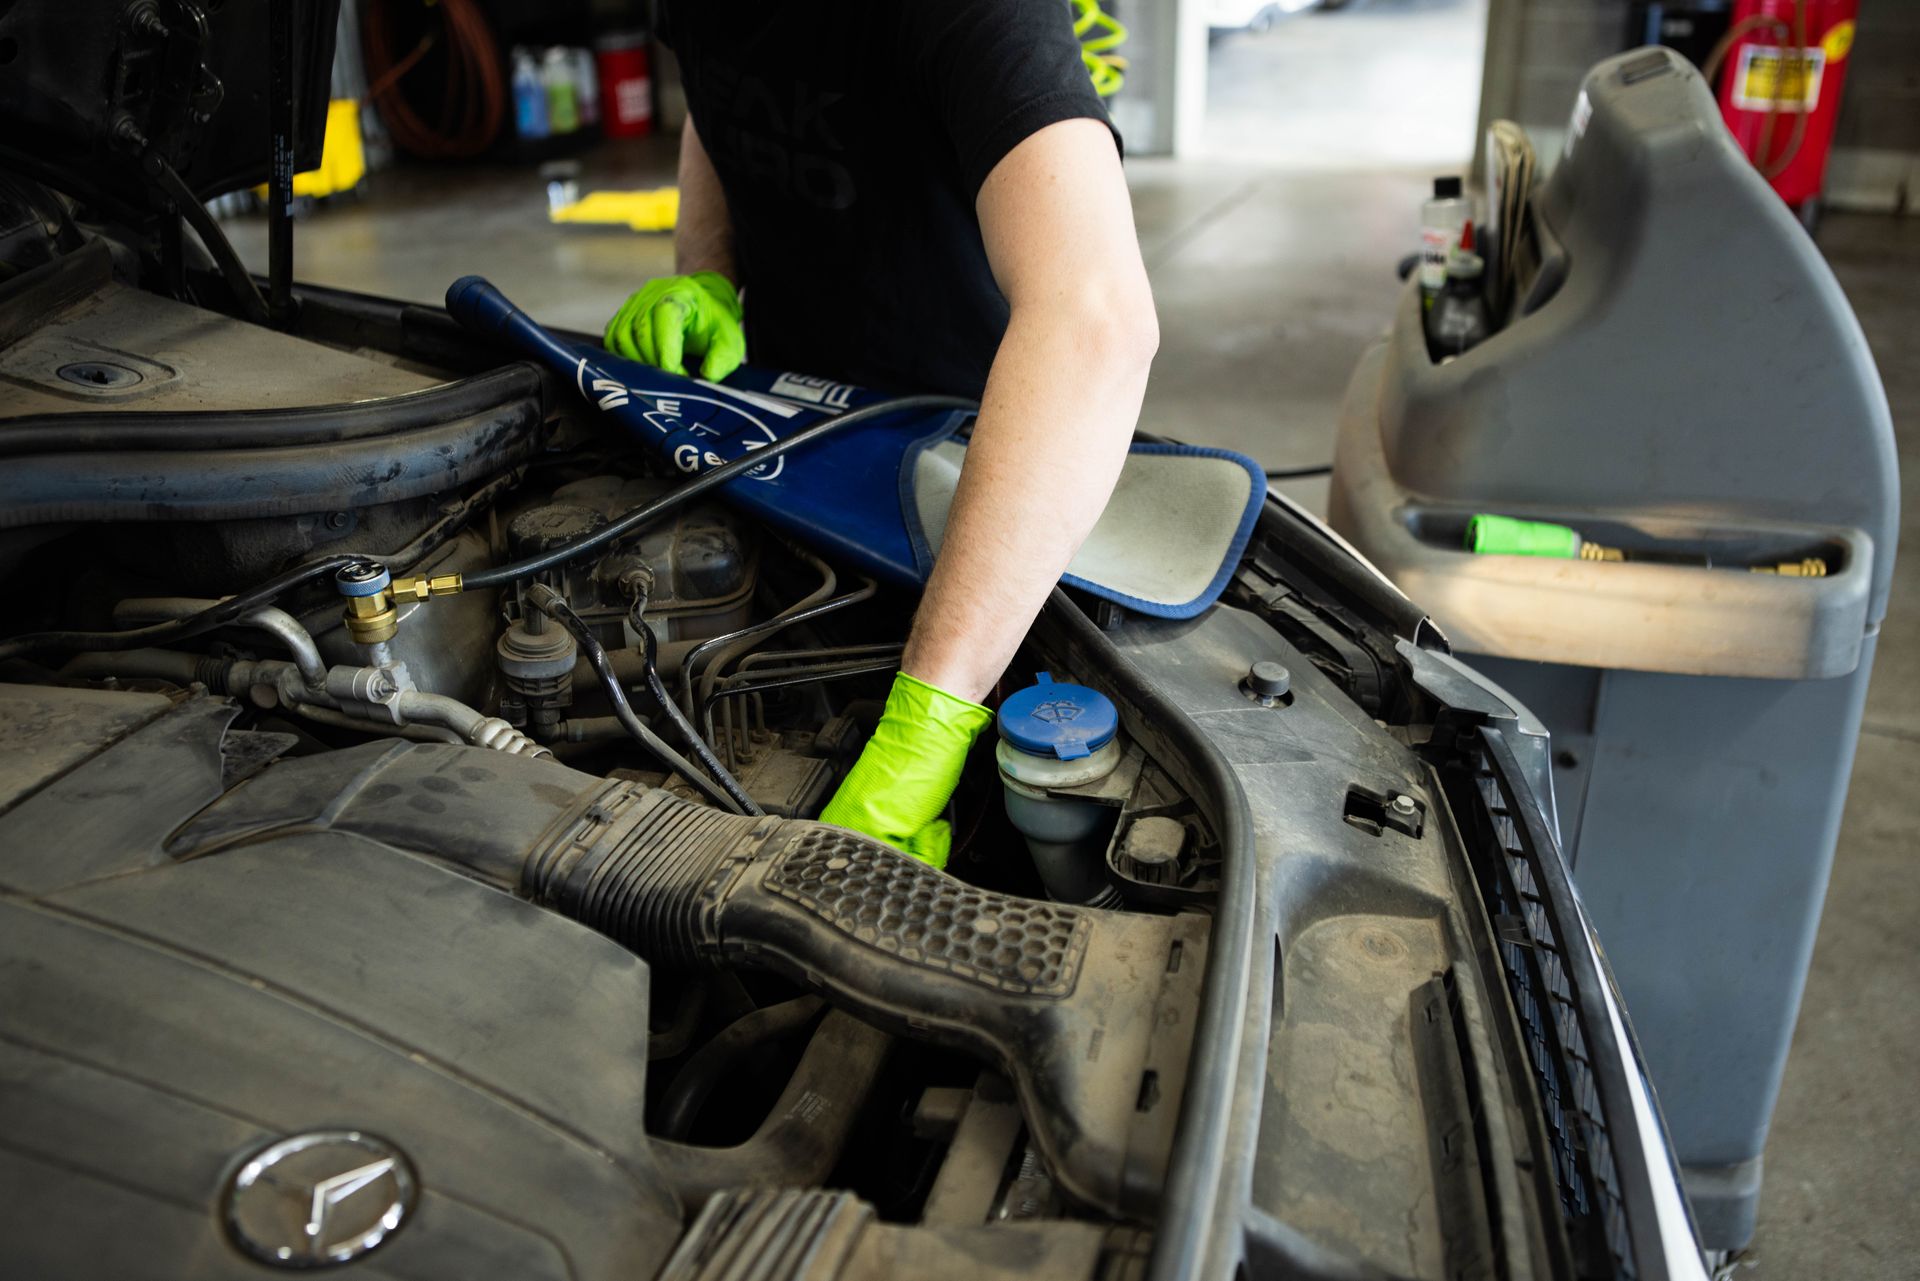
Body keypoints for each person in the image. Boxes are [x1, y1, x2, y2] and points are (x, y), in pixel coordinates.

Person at [604, 2, 1159, 867]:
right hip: (790, 440)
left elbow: (1096, 322)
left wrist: (922, 736)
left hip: (980, 489)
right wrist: (707, 275)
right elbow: (719, 88)